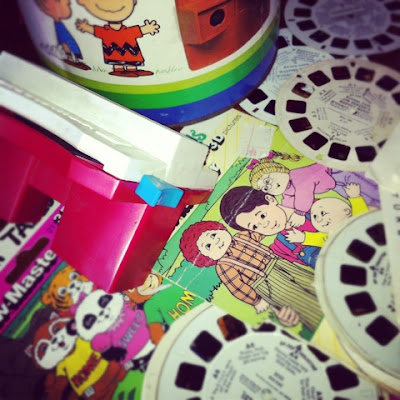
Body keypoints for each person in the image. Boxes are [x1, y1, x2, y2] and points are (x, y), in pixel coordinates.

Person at [180, 220, 323, 332]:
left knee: (309, 279)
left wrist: (274, 225)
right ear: (207, 257)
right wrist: (256, 301)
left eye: (213, 235)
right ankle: (319, 318)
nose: (216, 241)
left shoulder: (241, 236)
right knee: (298, 300)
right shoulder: (223, 266)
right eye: (208, 246)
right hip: (267, 283)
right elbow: (238, 287)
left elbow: (259, 233)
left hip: (280, 263)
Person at [248, 154, 336, 228]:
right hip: (332, 183)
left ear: (278, 169)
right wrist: (287, 217)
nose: (270, 186)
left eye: (267, 181)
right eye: (266, 188)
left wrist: (299, 213)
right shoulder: (287, 190)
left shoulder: (297, 177)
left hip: (333, 172)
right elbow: (287, 201)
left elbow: (303, 192)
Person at [75, 0, 160, 76]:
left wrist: (148, 28)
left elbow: (138, 31)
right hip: (113, 52)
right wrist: (85, 27)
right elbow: (95, 30)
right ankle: (118, 70)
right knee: (116, 61)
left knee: (131, 61)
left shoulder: (127, 31)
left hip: (130, 50)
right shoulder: (105, 31)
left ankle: (132, 70)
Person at [285, 183, 369, 247]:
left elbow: (361, 216)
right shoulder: (330, 236)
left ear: (346, 211)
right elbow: (321, 239)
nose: (319, 219)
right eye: (315, 217)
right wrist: (303, 238)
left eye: (323, 213)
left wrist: (355, 197)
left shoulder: (356, 224)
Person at [34, 0, 91, 70]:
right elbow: (63, 41)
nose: (70, 5)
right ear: (51, 5)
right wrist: (67, 50)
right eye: (68, 4)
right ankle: (73, 60)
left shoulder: (59, 26)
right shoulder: (59, 27)